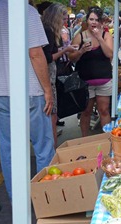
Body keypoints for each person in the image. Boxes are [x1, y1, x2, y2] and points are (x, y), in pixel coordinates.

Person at [0, 1, 55, 200]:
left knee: (9, 150)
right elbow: (36, 54)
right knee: (43, 147)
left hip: (1, 92)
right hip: (30, 89)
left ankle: (18, 202)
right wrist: (48, 89)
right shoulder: (26, 11)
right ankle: (46, 200)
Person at [68, 6, 113, 137]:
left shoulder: (106, 35)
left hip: (104, 79)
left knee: (103, 110)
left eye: (97, 20)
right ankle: (85, 139)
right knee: (86, 111)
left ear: (101, 22)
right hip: (85, 81)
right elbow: (72, 58)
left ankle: (107, 139)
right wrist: (81, 51)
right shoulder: (80, 36)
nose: (94, 22)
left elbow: (109, 54)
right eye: (91, 19)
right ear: (87, 20)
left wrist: (99, 38)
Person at [41, 3, 76, 148]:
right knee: (52, 115)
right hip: (48, 78)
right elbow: (48, 57)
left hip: (49, 77)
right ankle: (52, 150)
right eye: (63, 18)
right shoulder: (49, 31)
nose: (64, 22)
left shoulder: (47, 29)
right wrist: (65, 50)